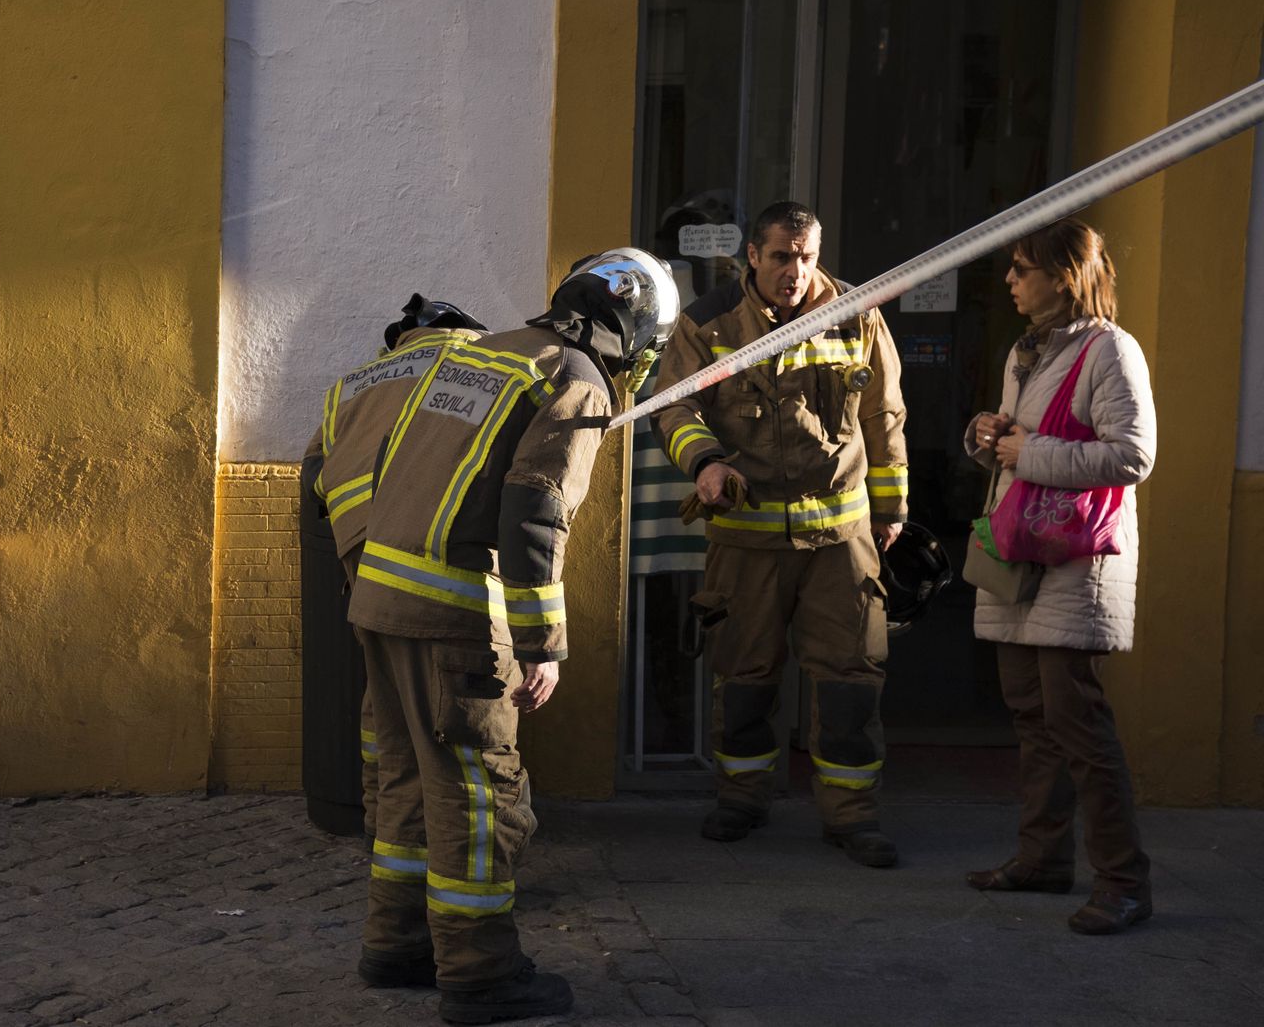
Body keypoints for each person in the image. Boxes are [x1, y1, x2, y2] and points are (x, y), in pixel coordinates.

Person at [342, 250, 678, 1023]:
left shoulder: (489, 351)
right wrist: (541, 642)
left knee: (404, 782)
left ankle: (394, 943)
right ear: (635, 330)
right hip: (455, 618)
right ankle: (479, 971)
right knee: (475, 793)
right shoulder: (576, 379)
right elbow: (535, 513)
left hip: (383, 599)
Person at [650, 201, 909, 867]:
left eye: (807, 257)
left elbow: (883, 413)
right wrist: (704, 463)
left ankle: (853, 813)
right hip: (746, 541)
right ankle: (742, 798)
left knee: (852, 681)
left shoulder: (856, 313)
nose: (797, 271)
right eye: (782, 258)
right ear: (752, 260)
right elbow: (674, 405)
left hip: (838, 540)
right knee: (744, 677)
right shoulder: (707, 323)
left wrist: (891, 510)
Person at [963, 218, 1156, 934]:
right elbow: (1021, 443)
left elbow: (1133, 455)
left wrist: (1028, 449)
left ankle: (1124, 880)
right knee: (1030, 714)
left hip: (1077, 560)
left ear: (1063, 276)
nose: (1010, 281)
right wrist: (988, 437)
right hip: (1022, 553)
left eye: (1022, 268)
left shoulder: (1112, 349)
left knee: (1077, 720)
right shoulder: (1027, 349)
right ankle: (1042, 858)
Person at [302, 296, 490, 841]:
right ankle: (454, 843)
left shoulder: (354, 384)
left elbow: (317, 473)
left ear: (402, 337)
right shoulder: (483, 367)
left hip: (364, 560)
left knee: (383, 707)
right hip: (446, 554)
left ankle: (388, 834)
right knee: (455, 711)